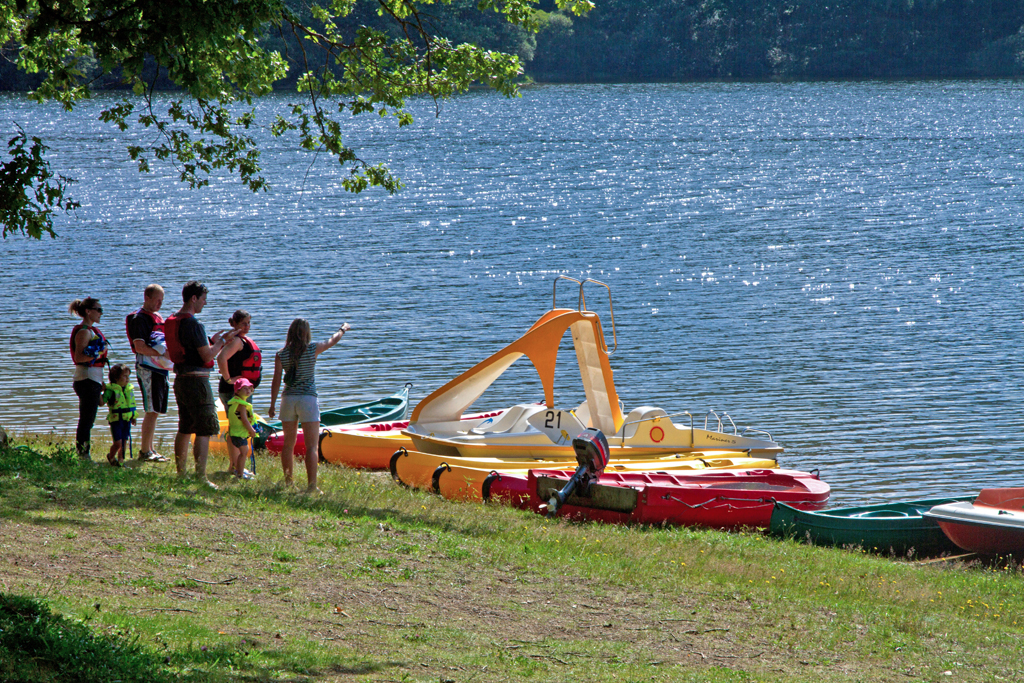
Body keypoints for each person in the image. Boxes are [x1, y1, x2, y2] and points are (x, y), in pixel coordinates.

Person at [164, 281, 237, 489]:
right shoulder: (194, 324)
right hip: (197, 382)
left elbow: (190, 347)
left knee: (185, 426)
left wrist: (213, 340)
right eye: (203, 299)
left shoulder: (173, 320)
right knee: (204, 429)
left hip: (181, 380)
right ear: (193, 298)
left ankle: (182, 474)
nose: (205, 303)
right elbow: (206, 354)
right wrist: (221, 343)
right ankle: (201, 477)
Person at [268, 319, 351, 494]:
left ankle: (289, 482)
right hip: (308, 399)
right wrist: (342, 329)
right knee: (312, 446)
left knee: (288, 445)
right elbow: (332, 340)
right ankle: (312, 486)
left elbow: (276, 381)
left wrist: (272, 404)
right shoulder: (312, 349)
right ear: (306, 333)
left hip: (288, 399)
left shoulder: (281, 354)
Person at [125, 284, 172, 462]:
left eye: (162, 300)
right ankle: (145, 451)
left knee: (156, 409)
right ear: (147, 297)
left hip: (160, 368)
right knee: (151, 409)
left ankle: (150, 449)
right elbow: (139, 347)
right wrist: (162, 353)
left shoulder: (157, 317)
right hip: (148, 368)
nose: (160, 304)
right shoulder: (139, 318)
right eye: (157, 300)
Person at [217, 310, 262, 473]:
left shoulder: (240, 340)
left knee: (237, 427)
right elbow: (221, 359)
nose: (247, 326)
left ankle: (235, 466)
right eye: (243, 323)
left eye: (249, 323)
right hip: (232, 392)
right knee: (237, 428)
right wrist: (229, 379)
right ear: (234, 324)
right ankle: (235, 467)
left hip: (239, 392)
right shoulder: (236, 341)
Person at [69, 297, 109, 461]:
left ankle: (83, 452)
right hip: (86, 380)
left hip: (92, 379)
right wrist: (98, 352)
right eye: (98, 310)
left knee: (89, 416)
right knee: (87, 419)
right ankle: (83, 455)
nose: (101, 313)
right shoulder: (85, 331)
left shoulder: (90, 330)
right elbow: (79, 357)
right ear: (88, 311)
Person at [101, 363, 137, 467]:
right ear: (116, 378)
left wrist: (133, 416)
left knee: (124, 441)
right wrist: (99, 391)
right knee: (118, 443)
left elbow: (132, 404)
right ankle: (111, 456)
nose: (127, 379)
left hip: (127, 419)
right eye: (125, 376)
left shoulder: (128, 389)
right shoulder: (111, 390)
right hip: (116, 420)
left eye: (128, 376)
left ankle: (121, 461)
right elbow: (101, 402)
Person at [226, 378, 258, 480]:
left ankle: (239, 471)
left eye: (249, 388)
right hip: (239, 434)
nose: (248, 391)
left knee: (242, 452)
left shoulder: (235, 403)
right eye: (245, 389)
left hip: (234, 433)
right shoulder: (241, 405)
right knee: (244, 453)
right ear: (237, 391)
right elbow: (244, 420)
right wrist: (252, 431)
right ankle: (240, 474)